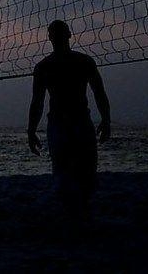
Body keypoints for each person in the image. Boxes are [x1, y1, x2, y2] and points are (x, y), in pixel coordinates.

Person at [28, 20, 110, 214]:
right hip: (71, 122)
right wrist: (106, 120)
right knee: (77, 171)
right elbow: (99, 93)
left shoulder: (47, 66)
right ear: (69, 35)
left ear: (50, 38)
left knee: (73, 171)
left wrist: (31, 131)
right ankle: (78, 212)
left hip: (70, 122)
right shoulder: (80, 62)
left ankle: (76, 212)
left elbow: (37, 102)